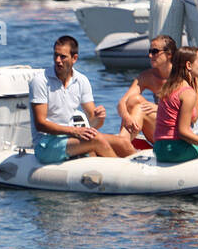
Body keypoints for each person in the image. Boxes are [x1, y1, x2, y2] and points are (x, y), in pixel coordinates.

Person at [30, 35, 135, 163]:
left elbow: (93, 123)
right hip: (46, 144)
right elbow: (40, 124)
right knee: (96, 140)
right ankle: (120, 174)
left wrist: (99, 117)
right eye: (55, 55)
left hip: (69, 137)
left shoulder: (81, 80)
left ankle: (140, 172)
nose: (58, 60)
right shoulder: (40, 81)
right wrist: (75, 131)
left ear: (74, 58)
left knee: (122, 143)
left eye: (63, 57)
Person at [117, 33, 176, 143]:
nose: (150, 56)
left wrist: (160, 108)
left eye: (155, 52)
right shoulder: (148, 76)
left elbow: (192, 115)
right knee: (134, 100)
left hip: (179, 131)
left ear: (169, 54)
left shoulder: (183, 76)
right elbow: (122, 103)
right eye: (150, 52)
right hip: (159, 129)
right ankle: (123, 142)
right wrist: (126, 117)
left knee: (140, 108)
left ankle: (121, 144)